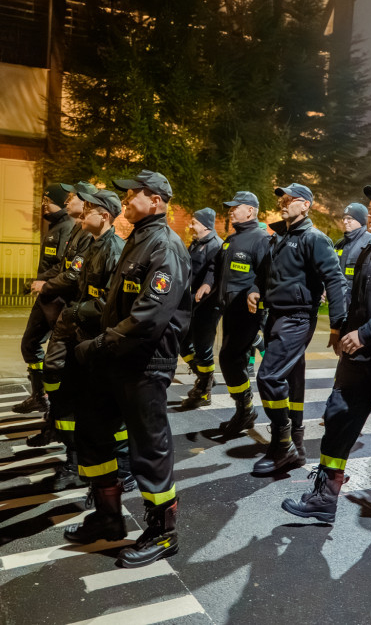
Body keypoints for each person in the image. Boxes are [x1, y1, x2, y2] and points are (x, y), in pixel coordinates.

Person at [280, 186, 371, 528]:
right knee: (339, 420)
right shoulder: (365, 251)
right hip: (358, 360)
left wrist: (364, 334)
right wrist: (343, 330)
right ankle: (324, 497)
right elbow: (357, 303)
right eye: (370, 206)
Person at [64, 170, 190, 570]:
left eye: (134, 193)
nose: (127, 199)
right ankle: (108, 515)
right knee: (93, 432)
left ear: (156, 201)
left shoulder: (166, 246)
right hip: (116, 359)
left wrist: (98, 346)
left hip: (145, 362)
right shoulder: (138, 239)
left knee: (149, 450)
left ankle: (163, 532)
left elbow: (150, 317)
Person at [26, 188, 130, 492]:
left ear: (105, 216)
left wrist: (74, 311)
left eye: (90, 209)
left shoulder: (113, 250)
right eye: (82, 207)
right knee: (68, 397)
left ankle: (116, 472)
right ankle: (75, 462)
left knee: (105, 412)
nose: (83, 213)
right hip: (80, 334)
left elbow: (107, 303)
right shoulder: (95, 245)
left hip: (96, 340)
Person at [247, 183, 347, 475]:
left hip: (298, 318)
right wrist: (255, 289)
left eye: (290, 199)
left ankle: (282, 444)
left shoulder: (315, 239)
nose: (283, 203)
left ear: (306, 205)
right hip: (276, 316)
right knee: (292, 381)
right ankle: (297, 446)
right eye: (282, 199)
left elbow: (336, 281)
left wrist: (337, 325)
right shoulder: (281, 237)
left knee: (268, 376)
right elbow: (265, 273)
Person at [13, 183, 95, 414]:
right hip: (50, 294)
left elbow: (72, 272)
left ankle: (57, 407)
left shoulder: (78, 230)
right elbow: (62, 265)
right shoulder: (74, 228)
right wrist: (37, 282)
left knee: (60, 360)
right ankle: (45, 400)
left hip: (62, 300)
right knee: (34, 347)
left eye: (73, 198)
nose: (68, 202)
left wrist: (47, 284)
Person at [197, 191, 270, 438]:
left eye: (235, 207)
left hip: (247, 311)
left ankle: (245, 409)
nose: (230, 211)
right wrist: (208, 283)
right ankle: (245, 409)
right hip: (229, 309)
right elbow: (215, 267)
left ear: (250, 210)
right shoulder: (231, 239)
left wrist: (256, 291)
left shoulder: (261, 239)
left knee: (230, 358)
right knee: (231, 358)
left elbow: (267, 274)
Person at [180, 207, 223, 408]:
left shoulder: (217, 245)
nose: (190, 226)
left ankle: (204, 392)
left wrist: (207, 283)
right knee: (183, 342)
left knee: (203, 349)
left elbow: (215, 269)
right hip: (192, 303)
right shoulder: (197, 243)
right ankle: (204, 376)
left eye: (194, 222)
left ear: (205, 224)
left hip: (208, 306)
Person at [334, 202, 371, 294]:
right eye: (344, 218)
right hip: (338, 298)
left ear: (361, 220)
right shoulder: (339, 244)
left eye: (349, 218)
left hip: (359, 302)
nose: (345, 222)